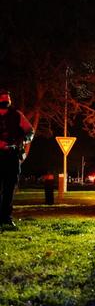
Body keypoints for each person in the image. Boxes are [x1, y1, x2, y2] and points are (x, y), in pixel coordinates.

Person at [0, 89, 34, 230]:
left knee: (9, 188)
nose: (6, 101)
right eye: (3, 98)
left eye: (8, 98)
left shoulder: (17, 115)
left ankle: (6, 218)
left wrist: (20, 143)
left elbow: (30, 132)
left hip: (12, 155)